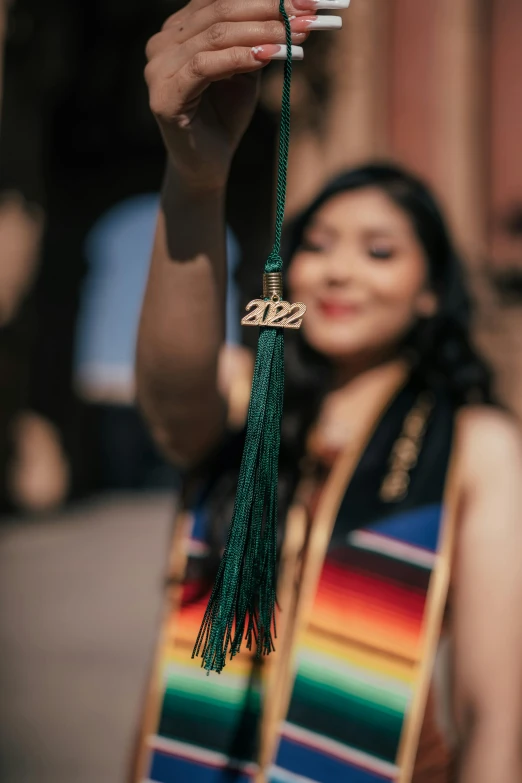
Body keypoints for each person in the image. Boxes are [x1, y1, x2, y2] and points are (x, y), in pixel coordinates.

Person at [133, 1, 522, 781]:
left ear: (426, 292)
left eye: (380, 251)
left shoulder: (475, 445)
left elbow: (496, 713)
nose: (340, 271)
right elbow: (172, 393)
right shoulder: (245, 401)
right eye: (316, 244)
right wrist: (196, 181)